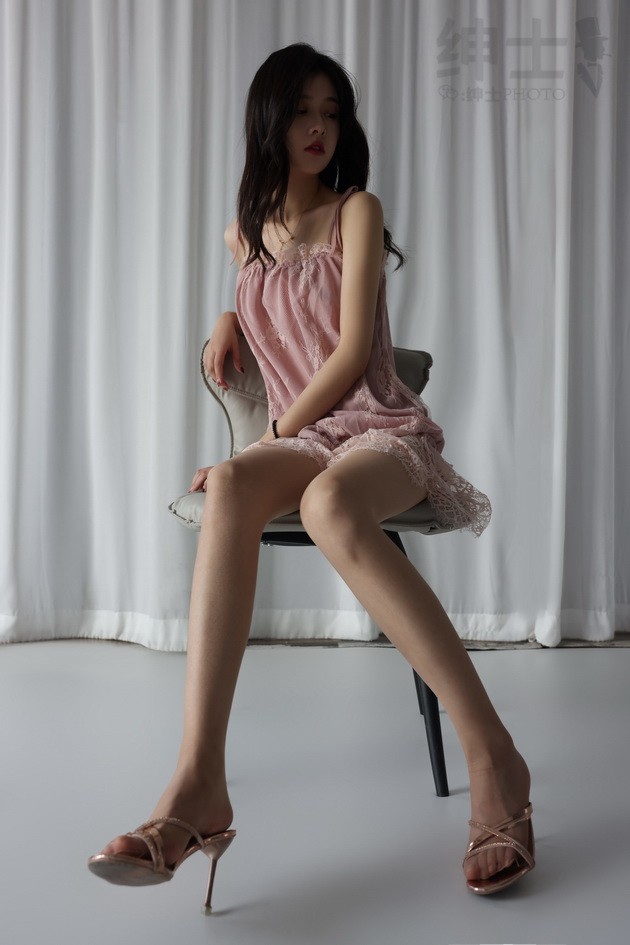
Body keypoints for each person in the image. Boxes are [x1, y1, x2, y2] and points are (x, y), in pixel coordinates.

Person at [88, 42, 534, 910]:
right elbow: (270, 302)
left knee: (327, 501)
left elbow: (346, 352)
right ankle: (197, 783)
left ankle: (495, 759)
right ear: (269, 121)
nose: (318, 127)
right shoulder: (244, 232)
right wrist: (229, 312)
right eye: (301, 111)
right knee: (232, 488)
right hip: (307, 436)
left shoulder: (355, 210)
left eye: (331, 111)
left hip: (377, 428)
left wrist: (270, 434)